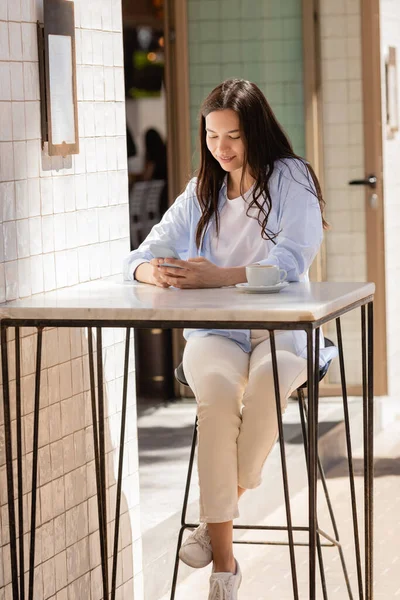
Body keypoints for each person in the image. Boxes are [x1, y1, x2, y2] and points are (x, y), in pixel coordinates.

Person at [123, 79, 331, 599]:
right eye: (213, 136)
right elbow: (139, 256)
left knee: (266, 385)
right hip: (216, 331)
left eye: (233, 135)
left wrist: (215, 276)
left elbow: (290, 260)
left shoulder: (290, 177)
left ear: (255, 130)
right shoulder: (200, 191)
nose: (222, 148)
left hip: (282, 327)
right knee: (215, 401)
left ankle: (212, 519)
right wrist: (157, 272)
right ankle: (224, 569)